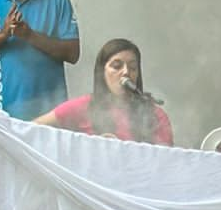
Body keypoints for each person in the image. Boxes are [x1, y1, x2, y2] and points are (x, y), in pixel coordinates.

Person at [34, 38, 173, 145]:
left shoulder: (155, 115)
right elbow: (31, 130)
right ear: (102, 72)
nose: (126, 72)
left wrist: (123, 150)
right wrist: (93, 148)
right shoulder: (83, 106)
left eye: (132, 67)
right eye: (117, 66)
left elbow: (167, 163)